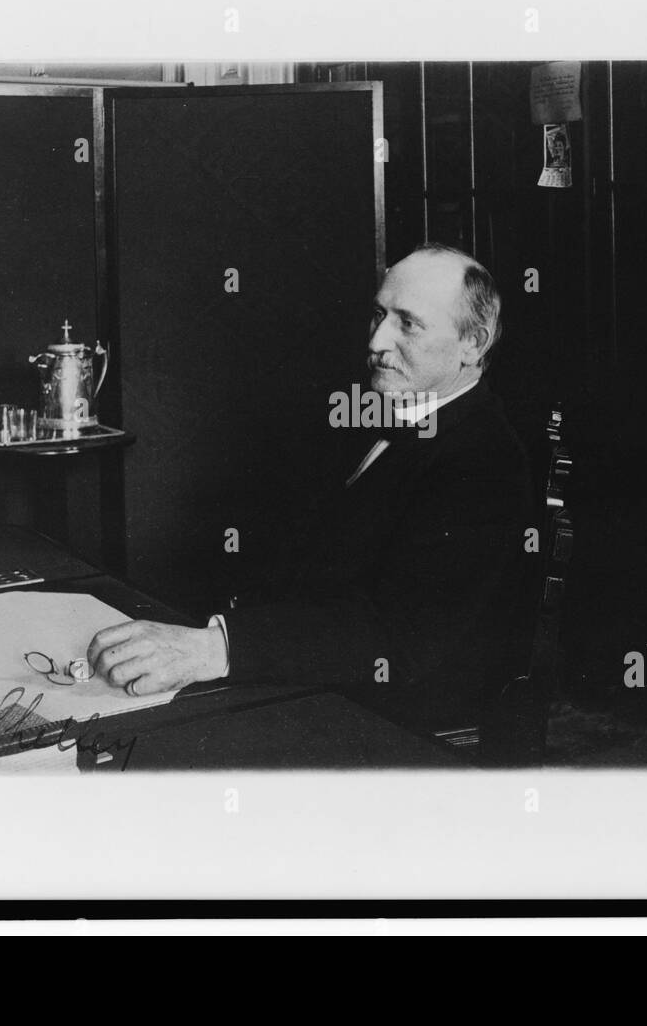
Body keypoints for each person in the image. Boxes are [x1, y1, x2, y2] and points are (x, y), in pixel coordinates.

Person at [86, 242, 535, 733]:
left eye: (408, 323)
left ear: (473, 343)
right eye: (378, 315)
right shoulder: (369, 412)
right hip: (306, 675)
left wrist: (214, 648)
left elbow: (401, 639)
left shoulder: (487, 460)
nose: (377, 341)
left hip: (395, 721)